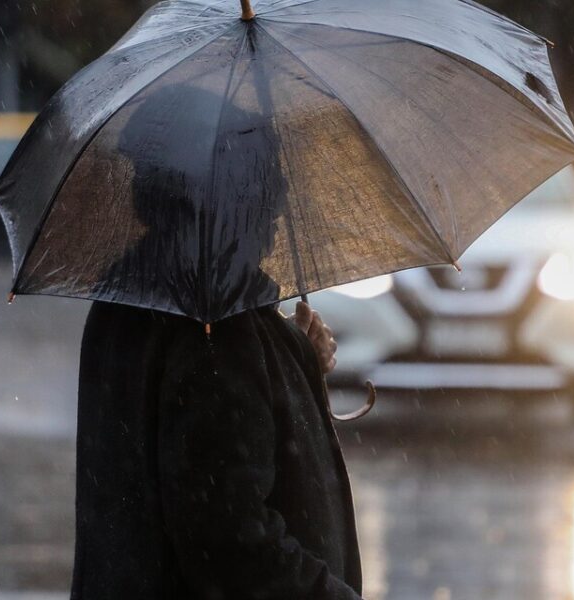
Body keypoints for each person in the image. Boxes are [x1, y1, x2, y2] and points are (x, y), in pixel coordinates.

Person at [68, 84, 362, 598]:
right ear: (222, 197)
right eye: (263, 178)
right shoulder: (216, 330)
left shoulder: (127, 300)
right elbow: (230, 539)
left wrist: (295, 364)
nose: (279, 200)